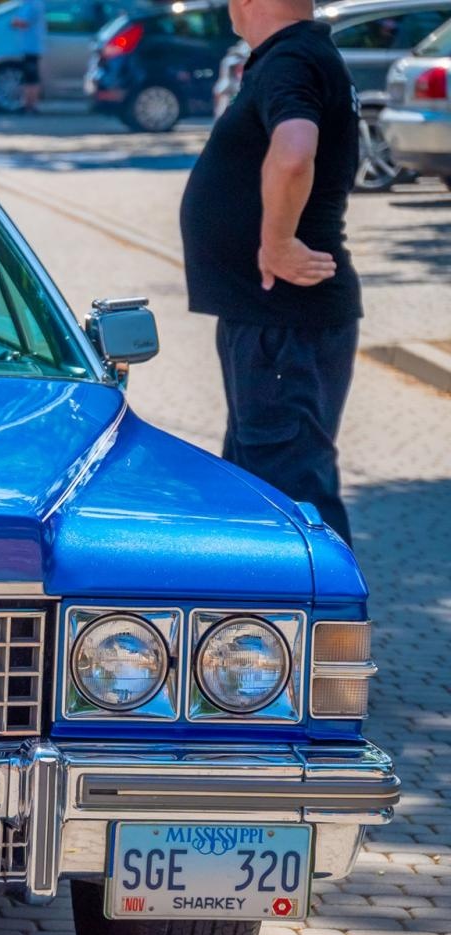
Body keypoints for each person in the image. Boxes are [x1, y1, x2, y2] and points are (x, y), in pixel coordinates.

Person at [179, 0, 360, 544]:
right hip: (271, 317)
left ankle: (325, 624)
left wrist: (277, 242)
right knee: (259, 489)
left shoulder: (292, 60)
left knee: (290, 491)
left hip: (284, 320)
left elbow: (295, 150)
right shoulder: (297, 55)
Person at [10, 0, 46, 113]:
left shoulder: (31, 3)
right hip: (32, 45)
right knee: (30, 77)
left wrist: (13, 22)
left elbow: (23, 22)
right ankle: (29, 104)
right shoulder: (36, 3)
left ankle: (30, 105)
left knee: (30, 78)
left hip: (30, 46)